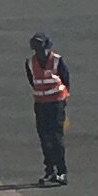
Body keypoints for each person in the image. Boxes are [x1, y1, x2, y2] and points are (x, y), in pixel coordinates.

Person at [27, 30, 70, 185]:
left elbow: (66, 79)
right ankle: (49, 171)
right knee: (44, 137)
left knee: (56, 137)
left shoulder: (57, 61)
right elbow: (32, 81)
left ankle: (61, 171)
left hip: (56, 104)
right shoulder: (30, 63)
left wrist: (61, 98)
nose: (40, 52)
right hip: (40, 104)